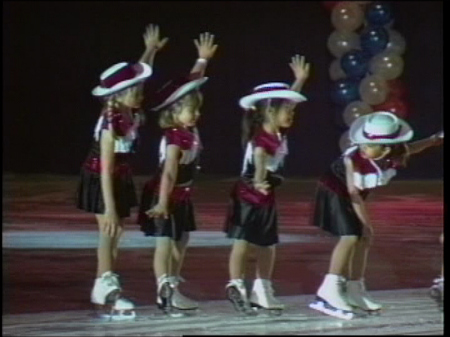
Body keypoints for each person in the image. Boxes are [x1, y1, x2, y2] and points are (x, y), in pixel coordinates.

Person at [309, 112, 443, 320]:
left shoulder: (393, 154)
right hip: (334, 192)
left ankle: (355, 288)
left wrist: (434, 140)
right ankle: (329, 289)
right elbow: (353, 194)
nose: (363, 147)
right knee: (351, 236)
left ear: (386, 148)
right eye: (362, 143)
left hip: (354, 195)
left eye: (369, 145)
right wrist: (366, 223)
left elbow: (413, 148)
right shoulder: (352, 160)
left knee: (363, 239)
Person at [77, 24, 167, 320]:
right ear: (118, 95)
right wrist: (110, 207)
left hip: (119, 176)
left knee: (115, 236)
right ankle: (105, 285)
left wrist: (149, 51)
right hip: (101, 178)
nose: (140, 92)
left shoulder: (129, 111)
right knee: (108, 231)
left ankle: (107, 283)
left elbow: (141, 73)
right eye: (135, 91)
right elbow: (104, 169)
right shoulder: (110, 123)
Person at [137, 33, 218, 315]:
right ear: (174, 112)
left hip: (181, 194)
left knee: (181, 240)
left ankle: (172, 284)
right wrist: (161, 203)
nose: (195, 114)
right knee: (165, 243)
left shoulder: (187, 130)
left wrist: (202, 59)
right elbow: (169, 174)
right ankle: (165, 290)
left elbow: (191, 83)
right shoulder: (174, 139)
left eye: (197, 109)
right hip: (166, 193)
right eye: (189, 110)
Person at [224, 55, 310, 315]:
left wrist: (299, 81)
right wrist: (260, 179)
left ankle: (262, 288)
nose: (292, 115)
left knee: (267, 243)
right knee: (242, 241)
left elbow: (285, 103)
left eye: (293, 111)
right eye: (288, 111)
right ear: (269, 112)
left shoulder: (275, 130)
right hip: (250, 192)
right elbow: (260, 156)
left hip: (265, 194)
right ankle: (236, 285)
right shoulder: (262, 137)